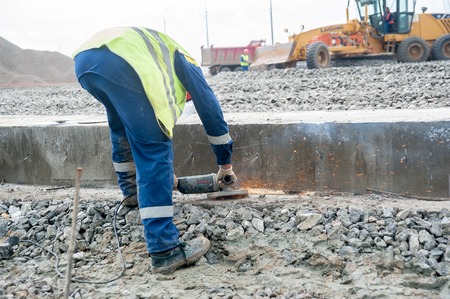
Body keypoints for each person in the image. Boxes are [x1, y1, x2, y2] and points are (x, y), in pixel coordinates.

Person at [72, 27, 237, 274]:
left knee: (121, 123)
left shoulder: (162, 53)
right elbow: (211, 112)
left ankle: (131, 194)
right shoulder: (187, 63)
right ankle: (165, 250)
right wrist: (226, 165)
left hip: (86, 61)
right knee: (154, 146)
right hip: (121, 62)